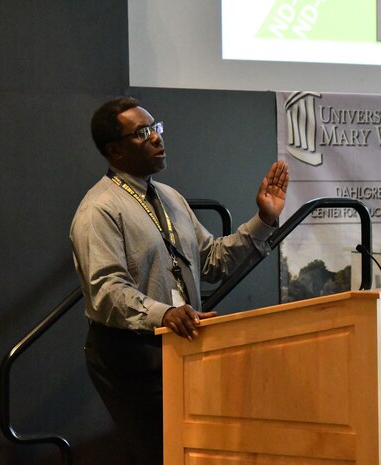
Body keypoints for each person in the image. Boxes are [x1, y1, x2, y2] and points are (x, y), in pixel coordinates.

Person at [70, 97, 289, 465]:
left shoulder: (170, 198)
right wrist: (163, 314)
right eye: (143, 133)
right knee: (161, 455)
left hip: (181, 347)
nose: (157, 138)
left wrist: (264, 220)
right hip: (131, 355)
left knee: (191, 454)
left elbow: (212, 261)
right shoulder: (99, 210)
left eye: (156, 127)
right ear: (115, 150)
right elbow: (106, 290)